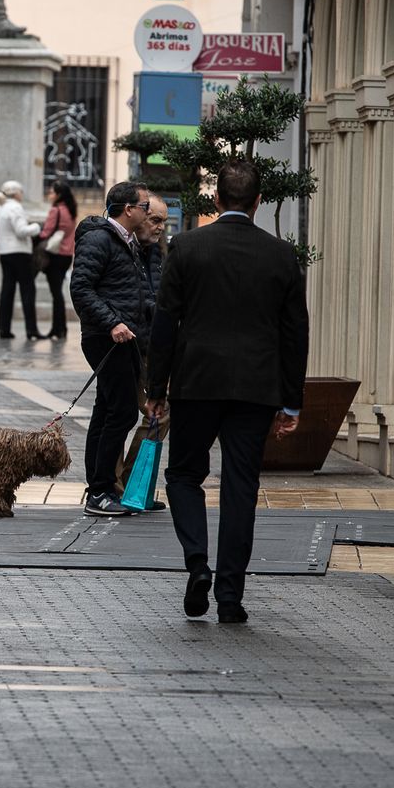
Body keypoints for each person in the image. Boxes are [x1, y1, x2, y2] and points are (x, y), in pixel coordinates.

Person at [145, 160, 309, 625]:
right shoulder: (281, 255)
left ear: (216, 199)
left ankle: (198, 561)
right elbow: (295, 332)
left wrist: (156, 387)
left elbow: (165, 321)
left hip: (196, 382)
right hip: (256, 388)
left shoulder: (187, 246)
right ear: (259, 202)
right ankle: (231, 597)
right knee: (241, 487)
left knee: (183, 475)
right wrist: (291, 400)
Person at [70, 181, 157, 518]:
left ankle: (99, 487)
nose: (148, 212)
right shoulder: (100, 239)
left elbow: (131, 292)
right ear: (128, 209)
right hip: (106, 338)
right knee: (121, 412)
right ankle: (101, 490)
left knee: (106, 410)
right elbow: (81, 288)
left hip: (124, 337)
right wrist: (112, 323)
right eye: (145, 206)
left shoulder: (126, 241)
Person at [121, 193, 172, 496]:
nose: (160, 227)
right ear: (136, 215)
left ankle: (130, 483)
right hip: (126, 343)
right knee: (119, 415)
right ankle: (113, 485)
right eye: (154, 219)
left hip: (152, 345)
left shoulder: (159, 252)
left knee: (159, 414)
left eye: (163, 221)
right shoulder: (122, 249)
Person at [0, 180, 41, 340]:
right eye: (21, 191)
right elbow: (21, 231)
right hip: (19, 252)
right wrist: (36, 227)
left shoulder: (0, 207)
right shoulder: (15, 207)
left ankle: (3, 328)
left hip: (4, 252)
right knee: (27, 291)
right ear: (16, 193)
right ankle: (31, 330)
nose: (22, 194)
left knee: (7, 290)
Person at [37, 180, 78, 340]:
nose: (50, 194)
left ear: (59, 194)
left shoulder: (56, 210)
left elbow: (46, 232)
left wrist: (36, 235)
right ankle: (61, 328)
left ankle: (57, 328)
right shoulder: (71, 210)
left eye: (52, 192)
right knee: (58, 292)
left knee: (56, 294)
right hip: (67, 255)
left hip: (54, 254)